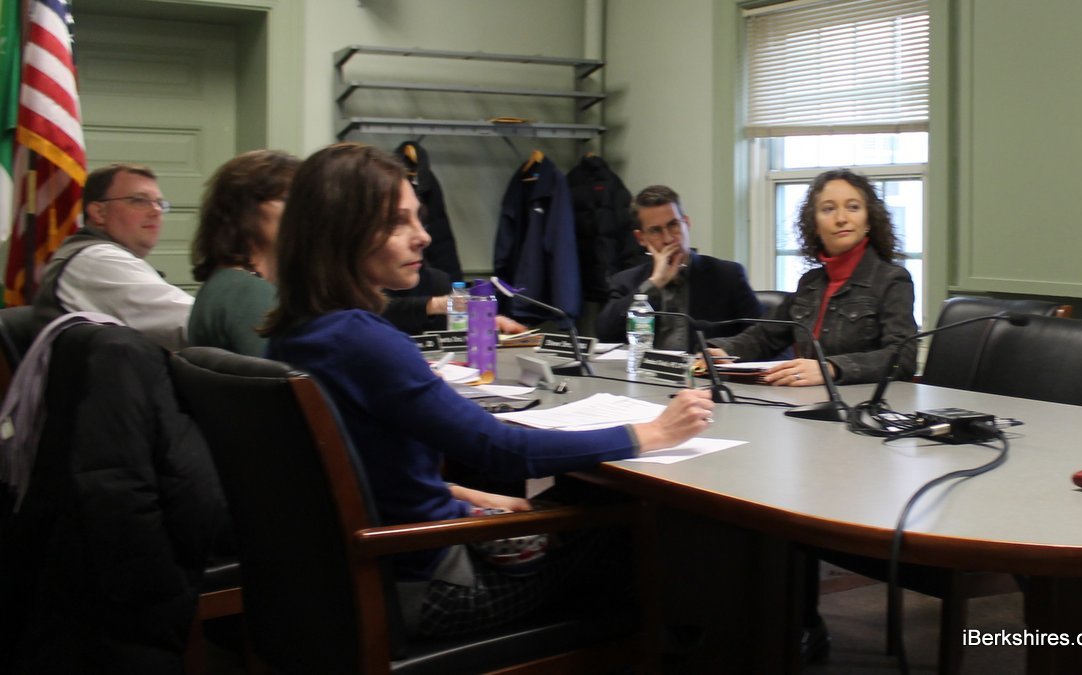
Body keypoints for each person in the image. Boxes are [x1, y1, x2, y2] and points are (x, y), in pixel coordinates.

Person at [262, 142, 714, 637]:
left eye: (418, 218)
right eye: (397, 223)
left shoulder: (296, 332)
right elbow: (505, 451)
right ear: (341, 231)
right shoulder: (363, 341)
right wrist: (650, 433)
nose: (423, 237)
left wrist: (466, 494)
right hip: (433, 587)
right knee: (640, 522)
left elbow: (366, 474)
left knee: (569, 501)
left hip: (349, 584)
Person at [707, 168, 918, 387]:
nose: (841, 219)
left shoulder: (893, 280)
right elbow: (764, 336)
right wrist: (722, 352)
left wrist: (831, 368)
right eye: (828, 209)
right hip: (807, 399)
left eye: (853, 207)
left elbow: (902, 357)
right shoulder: (810, 283)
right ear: (815, 225)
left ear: (868, 221)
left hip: (865, 402)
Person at [32, 163, 195, 350]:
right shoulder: (97, 260)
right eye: (139, 200)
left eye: (159, 203)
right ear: (99, 213)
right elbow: (193, 323)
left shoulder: (99, 256)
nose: (156, 211)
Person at [595, 185, 762, 350]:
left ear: (687, 224)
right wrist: (654, 284)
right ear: (641, 238)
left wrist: (724, 350)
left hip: (704, 367)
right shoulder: (627, 281)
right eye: (655, 231)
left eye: (673, 225)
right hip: (646, 368)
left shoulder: (727, 276)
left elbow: (763, 338)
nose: (668, 239)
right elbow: (605, 334)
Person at [187, 149, 301, 356]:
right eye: (287, 199)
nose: (303, 211)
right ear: (244, 209)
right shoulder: (247, 293)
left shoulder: (230, 282)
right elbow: (289, 374)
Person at [382, 264, 529, 336]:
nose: (424, 238)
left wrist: (483, 321)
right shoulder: (371, 284)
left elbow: (449, 333)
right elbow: (375, 312)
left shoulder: (435, 280)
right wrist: (436, 304)